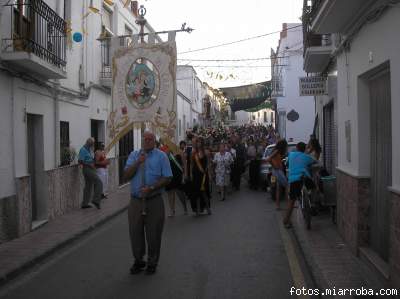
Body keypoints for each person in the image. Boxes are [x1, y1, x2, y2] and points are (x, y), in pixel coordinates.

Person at [124, 131, 173, 275]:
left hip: (154, 200)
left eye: (150, 139)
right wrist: (138, 162)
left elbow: (168, 177)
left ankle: (152, 262)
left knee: (154, 234)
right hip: (136, 201)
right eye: (145, 139)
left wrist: (151, 188)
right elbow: (126, 175)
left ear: (154, 141)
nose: (147, 141)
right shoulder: (134, 155)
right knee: (135, 232)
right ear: (142, 140)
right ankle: (139, 260)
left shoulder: (161, 156)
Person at [283, 142, 316, 228]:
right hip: (304, 177)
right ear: (304, 149)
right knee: (314, 188)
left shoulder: (291, 155)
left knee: (292, 200)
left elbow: (286, 163)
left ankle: (286, 221)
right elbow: (314, 161)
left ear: (297, 148)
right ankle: (313, 204)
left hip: (294, 180)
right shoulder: (306, 157)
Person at [161, 145, 188, 217]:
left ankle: (185, 207)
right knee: (170, 192)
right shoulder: (164, 151)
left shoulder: (179, 151)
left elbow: (184, 164)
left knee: (180, 193)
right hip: (168, 174)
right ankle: (172, 210)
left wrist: (185, 174)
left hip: (178, 175)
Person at [78, 138, 103, 209]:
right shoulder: (83, 150)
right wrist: (89, 164)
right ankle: (96, 201)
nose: (92, 145)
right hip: (87, 169)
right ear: (88, 143)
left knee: (88, 186)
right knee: (99, 182)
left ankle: (85, 204)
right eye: (92, 144)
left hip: (90, 169)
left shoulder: (88, 150)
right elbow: (80, 161)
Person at [190, 137, 211, 216]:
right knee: (197, 193)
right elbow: (192, 164)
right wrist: (191, 174)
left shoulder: (206, 152)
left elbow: (208, 164)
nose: (198, 143)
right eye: (197, 142)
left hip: (204, 175)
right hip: (196, 174)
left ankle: (208, 208)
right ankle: (198, 209)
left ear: (202, 143)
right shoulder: (193, 153)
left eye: (200, 142)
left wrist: (210, 174)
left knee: (204, 192)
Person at [266, 139, 288, 210]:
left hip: (277, 170)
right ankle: (289, 203)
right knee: (287, 185)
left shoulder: (278, 151)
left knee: (279, 188)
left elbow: (274, 159)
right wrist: (274, 166)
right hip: (277, 171)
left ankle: (278, 205)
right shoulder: (277, 151)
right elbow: (269, 159)